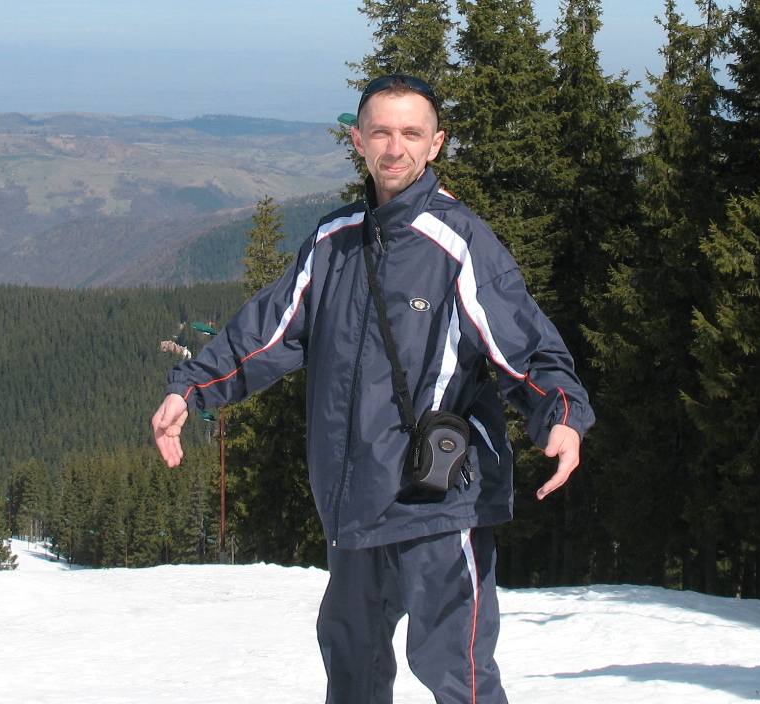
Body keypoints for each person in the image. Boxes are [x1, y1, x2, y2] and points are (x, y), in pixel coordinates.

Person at [151, 73, 593, 704]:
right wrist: (192, 388)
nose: (395, 146)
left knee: (457, 672)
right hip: (354, 500)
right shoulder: (333, 241)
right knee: (353, 670)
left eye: (411, 132)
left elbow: (523, 345)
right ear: (358, 140)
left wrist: (563, 416)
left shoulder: (461, 243)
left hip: (436, 499)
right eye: (381, 132)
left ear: (436, 143)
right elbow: (268, 331)